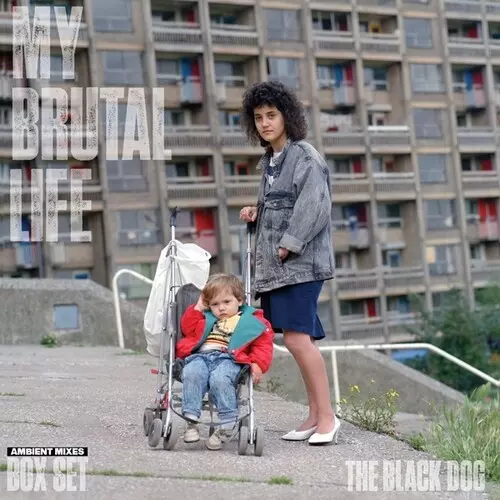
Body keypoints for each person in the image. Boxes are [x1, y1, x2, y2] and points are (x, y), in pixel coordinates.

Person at [239, 80, 340, 445]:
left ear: (287, 117)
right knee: (299, 340)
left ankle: (327, 418)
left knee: (298, 340)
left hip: (301, 265)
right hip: (278, 269)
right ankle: (314, 415)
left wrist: (289, 244)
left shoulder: (305, 156)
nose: (265, 123)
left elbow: (315, 206)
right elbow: (282, 205)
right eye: (259, 117)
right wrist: (257, 211)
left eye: (272, 115)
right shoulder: (270, 161)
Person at [175, 273, 274, 450]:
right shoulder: (205, 318)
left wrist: (258, 363)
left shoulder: (251, 321)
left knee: (220, 379)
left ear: (240, 300)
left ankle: (227, 423)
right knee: (192, 373)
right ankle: (191, 420)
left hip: (229, 358)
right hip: (200, 356)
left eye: (227, 302)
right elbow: (187, 329)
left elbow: (262, 345)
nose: (221, 308)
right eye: (215, 304)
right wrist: (198, 308)